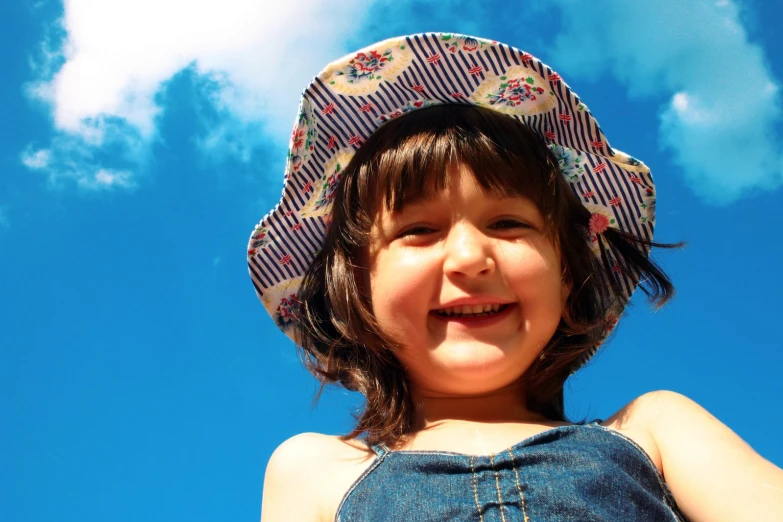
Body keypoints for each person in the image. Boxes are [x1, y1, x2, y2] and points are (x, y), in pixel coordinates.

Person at [248, 33, 783, 521]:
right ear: (357, 288)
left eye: (508, 223)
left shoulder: (658, 431)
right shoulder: (314, 467)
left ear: (568, 273)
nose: (470, 258)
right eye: (418, 230)